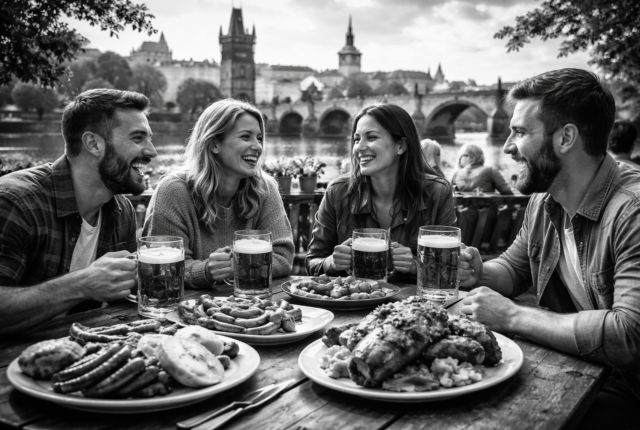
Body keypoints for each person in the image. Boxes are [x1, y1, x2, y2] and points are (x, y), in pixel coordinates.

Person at [457, 68, 640, 430]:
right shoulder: (545, 201)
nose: (508, 146)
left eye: (521, 132)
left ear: (565, 138)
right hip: (583, 368)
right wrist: (481, 272)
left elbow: (628, 335)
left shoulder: (631, 210)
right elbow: (513, 269)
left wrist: (512, 316)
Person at [0, 89, 157, 336]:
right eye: (138, 139)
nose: (152, 151)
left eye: (150, 139)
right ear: (93, 143)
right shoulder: (16, 203)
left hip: (84, 353)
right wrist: (82, 284)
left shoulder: (122, 210)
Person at [143, 99, 294, 288]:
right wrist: (206, 271)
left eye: (259, 138)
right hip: (186, 307)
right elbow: (163, 267)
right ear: (214, 144)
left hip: (251, 306)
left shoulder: (266, 189)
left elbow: (283, 257)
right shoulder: (173, 191)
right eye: (246, 137)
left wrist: (236, 265)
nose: (258, 146)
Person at [305, 103, 457, 281]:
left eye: (371, 137)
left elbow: (450, 270)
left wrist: (416, 266)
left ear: (400, 146)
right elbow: (312, 262)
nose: (359, 148)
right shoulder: (337, 193)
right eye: (356, 139)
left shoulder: (437, 193)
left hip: (411, 306)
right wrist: (330, 263)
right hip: (353, 304)